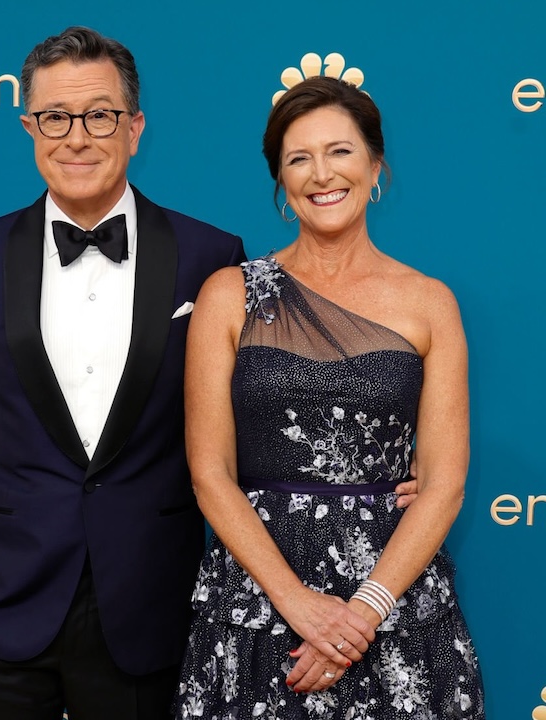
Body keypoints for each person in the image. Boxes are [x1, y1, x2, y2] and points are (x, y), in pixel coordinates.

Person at [0, 26, 249, 720]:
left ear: (136, 126)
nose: (77, 137)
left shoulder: (212, 255)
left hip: (150, 606)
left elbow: (248, 415)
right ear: (30, 125)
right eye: (55, 117)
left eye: (100, 114)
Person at [175, 76, 485, 718]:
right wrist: (300, 606)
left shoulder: (431, 303)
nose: (322, 174)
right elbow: (210, 475)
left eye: (340, 151)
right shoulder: (229, 295)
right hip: (259, 604)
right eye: (298, 158)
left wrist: (362, 613)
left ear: (376, 168)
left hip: (395, 604)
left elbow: (445, 484)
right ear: (281, 185)